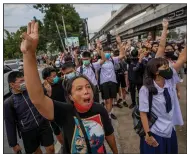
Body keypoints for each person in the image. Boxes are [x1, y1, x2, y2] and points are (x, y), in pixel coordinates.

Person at [20, 20, 118, 154]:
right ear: (70, 96)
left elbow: (109, 135)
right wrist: (29, 55)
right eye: (79, 89)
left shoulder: (100, 109)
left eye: (88, 87)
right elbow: (37, 99)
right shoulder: (65, 112)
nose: (86, 91)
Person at [139, 51, 186, 153]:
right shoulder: (146, 89)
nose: (169, 69)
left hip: (170, 130)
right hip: (155, 132)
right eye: (166, 67)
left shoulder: (169, 82)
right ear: (156, 72)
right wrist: (148, 134)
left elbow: (182, 58)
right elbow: (143, 113)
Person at [4, 71, 54, 154]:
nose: (24, 83)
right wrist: (13, 144)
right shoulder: (9, 103)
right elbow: (10, 124)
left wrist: (47, 90)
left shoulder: (32, 91)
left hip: (43, 124)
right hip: (28, 131)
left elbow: (45, 99)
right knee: (37, 152)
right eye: (21, 81)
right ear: (12, 85)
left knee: (51, 149)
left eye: (24, 80)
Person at [98, 36, 126, 120]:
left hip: (113, 82)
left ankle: (109, 114)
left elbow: (122, 55)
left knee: (111, 99)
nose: (107, 53)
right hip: (104, 83)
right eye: (105, 51)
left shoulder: (113, 60)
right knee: (107, 100)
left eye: (108, 51)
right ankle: (107, 114)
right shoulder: (100, 62)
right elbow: (100, 52)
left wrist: (119, 43)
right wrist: (99, 47)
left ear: (111, 52)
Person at [42, 67, 67, 145]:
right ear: (47, 78)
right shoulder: (43, 89)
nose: (56, 77)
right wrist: (49, 93)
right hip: (54, 116)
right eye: (54, 76)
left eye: (56, 75)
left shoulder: (61, 82)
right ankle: (64, 146)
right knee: (58, 132)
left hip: (66, 111)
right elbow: (43, 105)